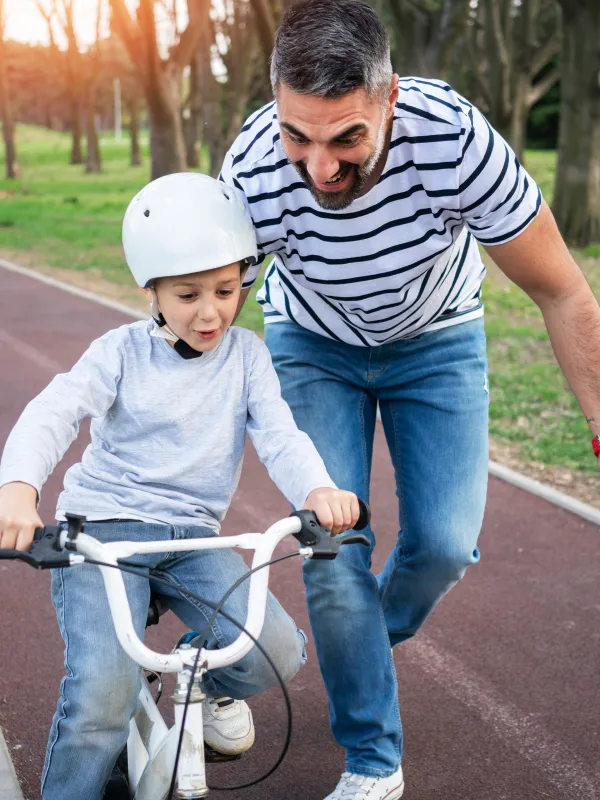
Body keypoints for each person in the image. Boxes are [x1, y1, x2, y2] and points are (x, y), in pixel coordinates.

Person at [220, 1, 600, 797]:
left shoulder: (454, 140)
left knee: (443, 545)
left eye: (346, 137)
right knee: (332, 547)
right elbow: (207, 332)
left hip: (438, 342)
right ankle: (372, 759)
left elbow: (565, 292)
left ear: (389, 100)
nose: (320, 168)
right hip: (312, 344)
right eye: (299, 134)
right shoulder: (253, 168)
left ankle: (336, 649)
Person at [0, 172, 361, 800]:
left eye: (226, 291)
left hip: (192, 540)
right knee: (100, 700)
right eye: (188, 294)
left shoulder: (247, 356)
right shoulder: (121, 352)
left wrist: (317, 490)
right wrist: (19, 488)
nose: (210, 311)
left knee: (273, 651)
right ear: (152, 290)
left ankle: (191, 681)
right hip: (103, 537)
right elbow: (53, 411)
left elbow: (280, 435)